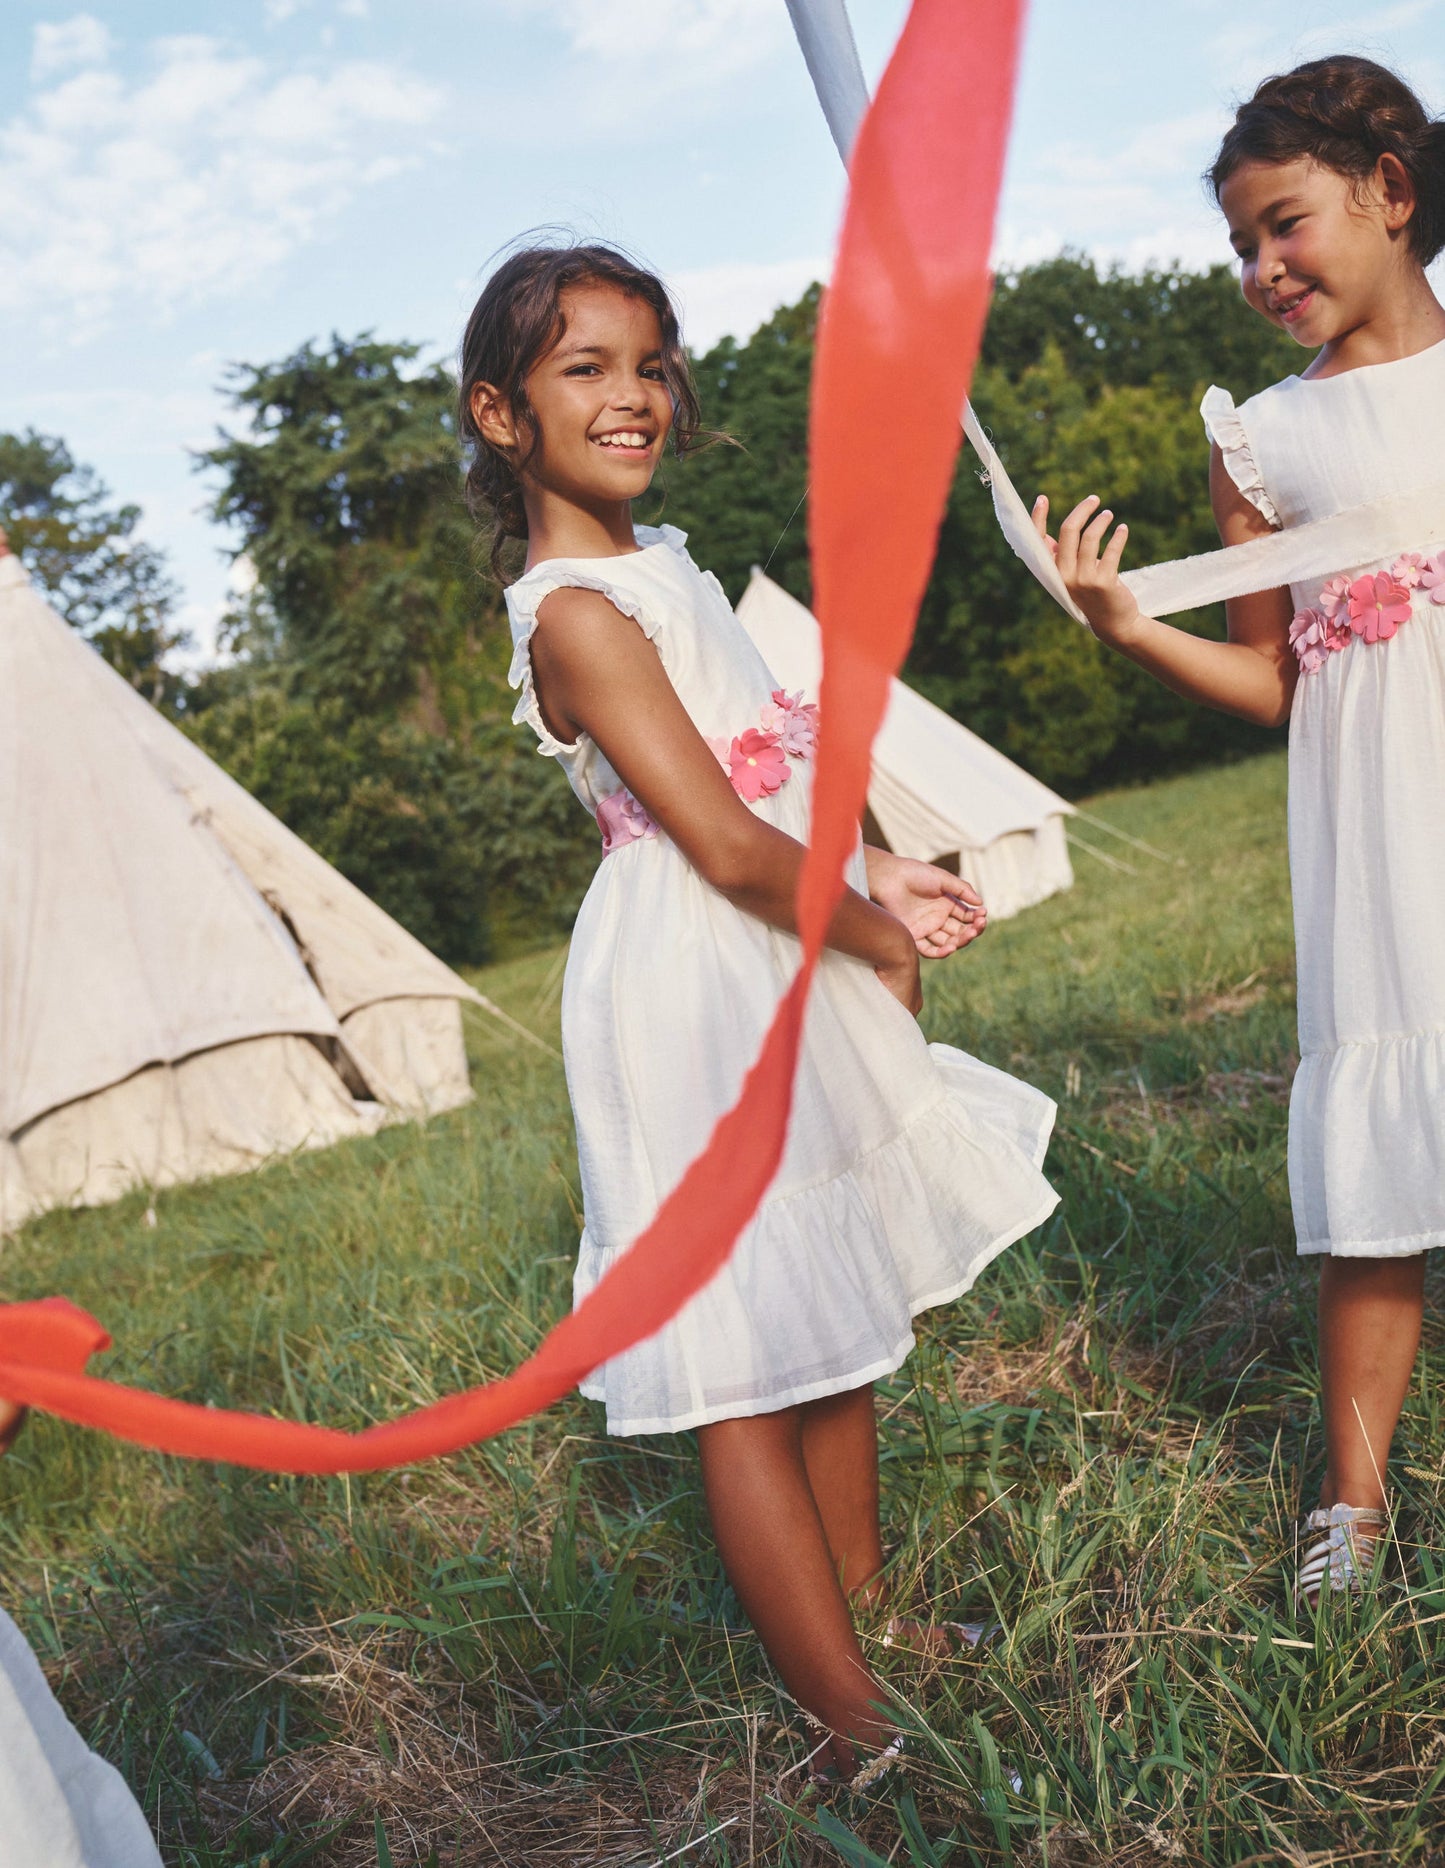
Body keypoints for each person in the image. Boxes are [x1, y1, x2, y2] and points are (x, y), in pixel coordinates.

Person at [457, 242, 1059, 1781]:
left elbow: (762, 776)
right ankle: (845, 1719)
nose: (633, 395)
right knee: (741, 1360)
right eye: (583, 368)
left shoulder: (665, 563)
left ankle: (868, 1619)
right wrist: (859, 931)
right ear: (500, 415)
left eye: (649, 363)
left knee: (830, 1314)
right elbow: (716, 843)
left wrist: (873, 867)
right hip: (693, 972)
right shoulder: (575, 613)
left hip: (774, 933)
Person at [1031, 56, 1445, 1607]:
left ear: (1388, 195)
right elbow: (1270, 677)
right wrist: (1128, 625)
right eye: (1239, 249)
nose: (1261, 272)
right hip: (1376, 824)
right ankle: (1348, 1502)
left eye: (1284, 227)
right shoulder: (1261, 440)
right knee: (1381, 1147)